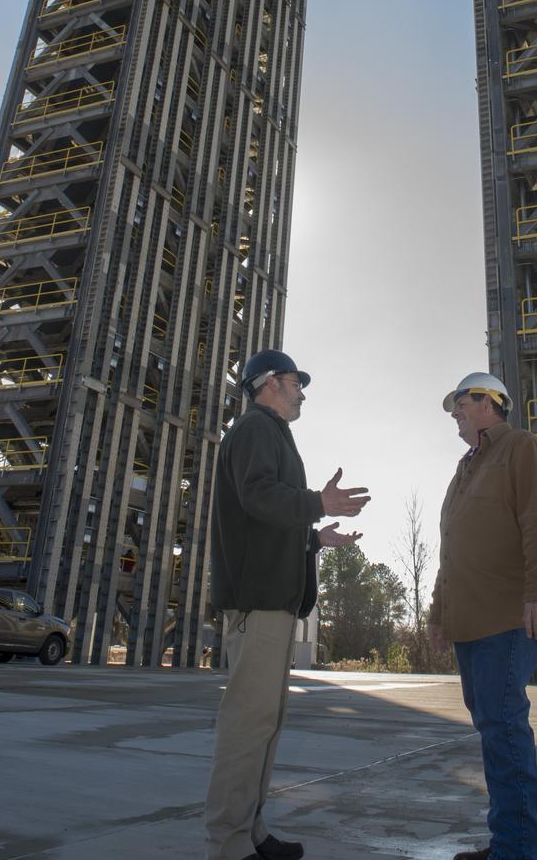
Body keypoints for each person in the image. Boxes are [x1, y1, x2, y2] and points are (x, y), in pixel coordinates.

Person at [205, 348, 370, 860]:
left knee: (265, 723)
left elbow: (269, 521)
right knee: (247, 724)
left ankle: (249, 833)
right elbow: (258, 496)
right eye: (297, 382)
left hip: (274, 600)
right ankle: (228, 845)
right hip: (258, 603)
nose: (303, 391)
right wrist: (317, 502)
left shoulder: (272, 434)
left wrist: (315, 540)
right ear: (271, 383)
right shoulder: (255, 430)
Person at [427, 371, 537, 860]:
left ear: (488, 401)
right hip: (469, 623)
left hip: (509, 618)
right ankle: (509, 840)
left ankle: (519, 850)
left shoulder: (520, 448)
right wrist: (439, 613)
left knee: (505, 731)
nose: (455, 414)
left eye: (460, 403)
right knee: (494, 734)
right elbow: (450, 550)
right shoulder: (464, 469)